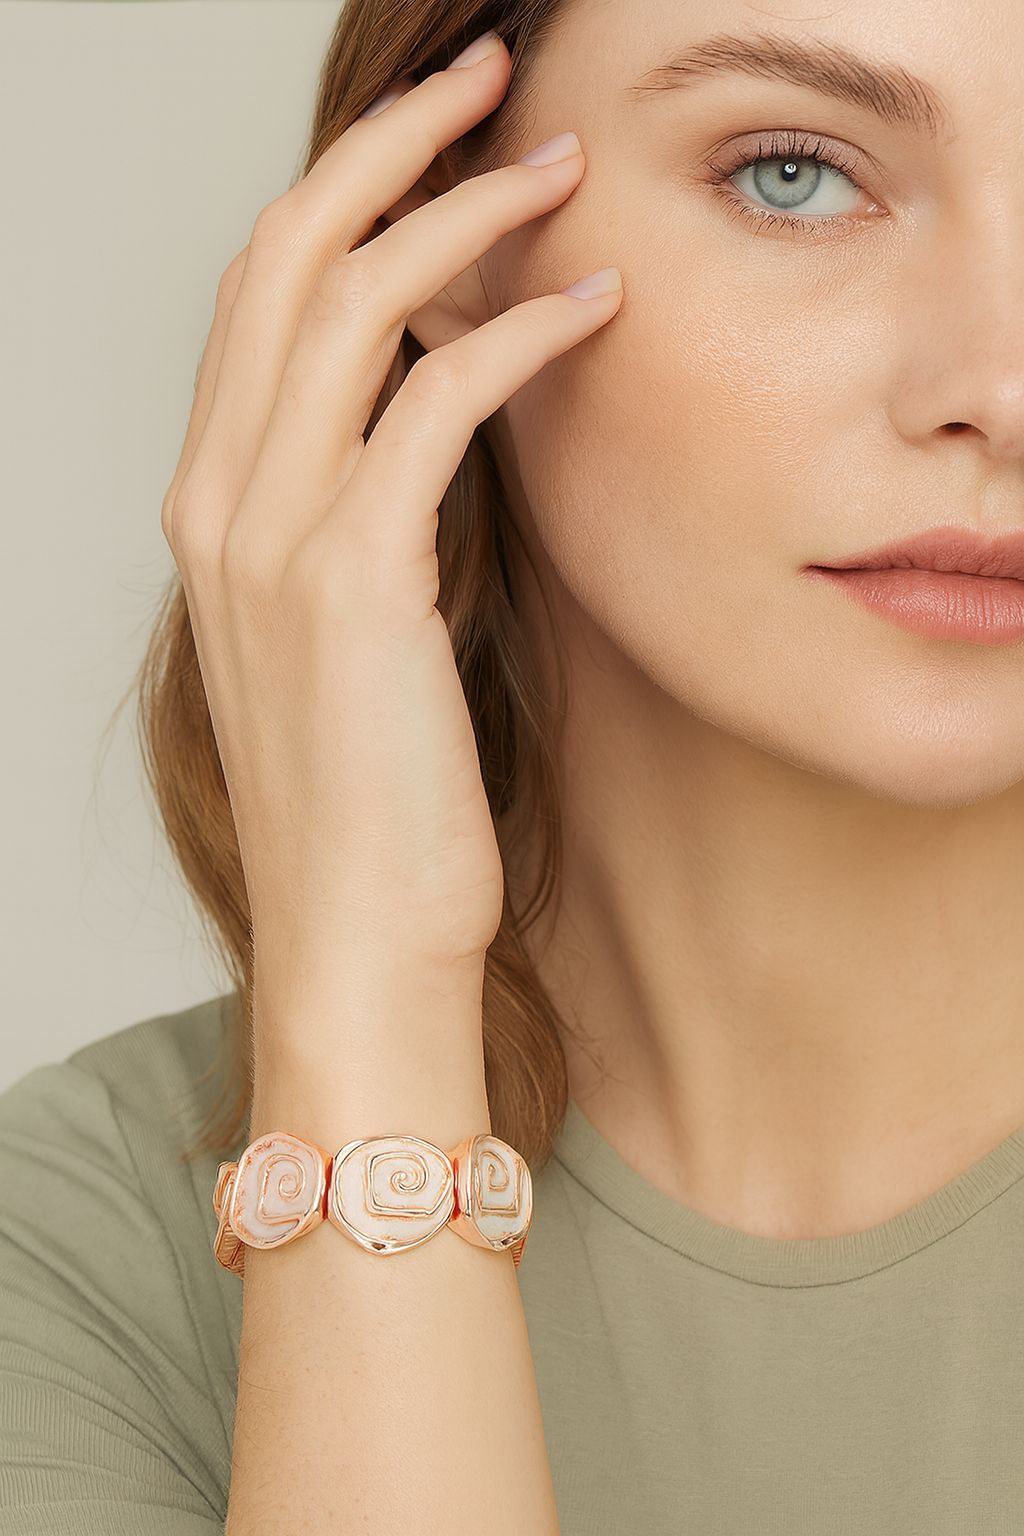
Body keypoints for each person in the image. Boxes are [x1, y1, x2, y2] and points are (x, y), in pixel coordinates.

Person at [3, 0, 1024, 1530]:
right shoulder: (79, 1259)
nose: (1002, 389)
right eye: (796, 173)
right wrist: (370, 1012)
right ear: (439, 231)